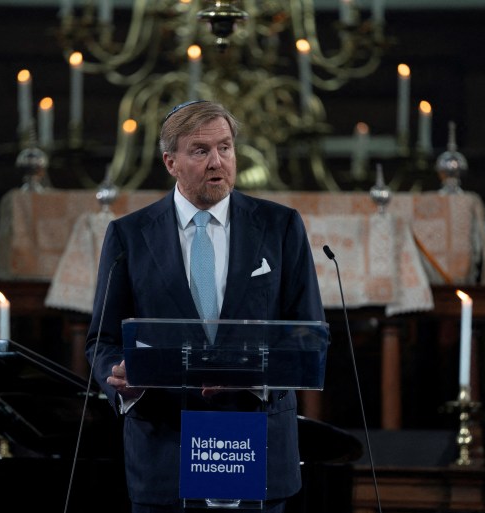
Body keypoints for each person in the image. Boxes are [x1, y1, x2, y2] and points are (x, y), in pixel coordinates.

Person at [85, 100, 325, 513]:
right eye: (200, 151)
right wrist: (121, 379)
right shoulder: (128, 235)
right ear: (171, 161)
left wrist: (251, 377)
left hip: (254, 440)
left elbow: (306, 331)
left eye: (226, 148)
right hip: (165, 449)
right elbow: (102, 340)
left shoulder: (280, 226)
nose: (218, 161)